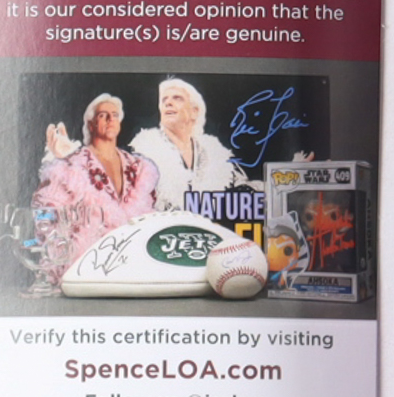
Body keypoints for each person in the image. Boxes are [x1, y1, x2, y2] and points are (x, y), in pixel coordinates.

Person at [33, 94, 159, 274]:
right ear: (91, 124)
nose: (110, 119)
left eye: (115, 115)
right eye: (102, 115)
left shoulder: (139, 168)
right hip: (87, 267)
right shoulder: (71, 165)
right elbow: (47, 217)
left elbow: (151, 216)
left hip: (133, 266)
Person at [129, 78, 247, 210]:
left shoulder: (218, 157)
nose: (168, 103)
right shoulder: (143, 154)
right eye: (164, 100)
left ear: (194, 111)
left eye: (177, 98)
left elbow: (245, 194)